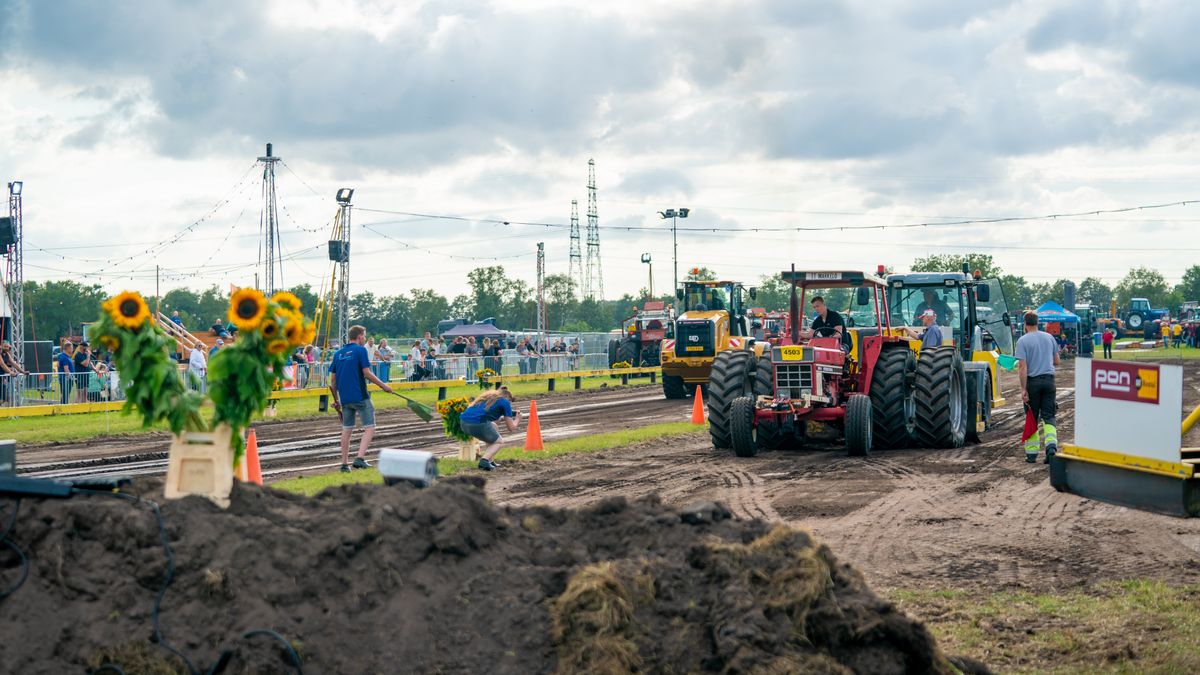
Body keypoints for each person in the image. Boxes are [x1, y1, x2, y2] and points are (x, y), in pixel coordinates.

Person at [328, 324, 395, 473]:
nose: (364, 338)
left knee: (346, 429)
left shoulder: (338, 353)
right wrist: (384, 386)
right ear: (359, 336)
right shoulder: (360, 350)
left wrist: (337, 399)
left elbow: (333, 381)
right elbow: (367, 373)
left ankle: (344, 465)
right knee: (370, 427)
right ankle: (359, 458)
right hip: (360, 396)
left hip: (345, 399)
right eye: (364, 336)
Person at [1016, 311, 1060, 464]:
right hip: (1049, 382)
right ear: (1037, 322)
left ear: (1025, 323)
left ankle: (1032, 454)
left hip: (1032, 383)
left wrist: (1023, 389)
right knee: (1049, 416)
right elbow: (1057, 361)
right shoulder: (1049, 337)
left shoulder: (1022, 341)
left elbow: (1022, 367)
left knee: (1032, 417)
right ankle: (1051, 447)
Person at [459, 387, 521, 471]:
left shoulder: (487, 398)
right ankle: (484, 461)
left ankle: (490, 461)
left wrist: (504, 416)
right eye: (510, 402)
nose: (509, 405)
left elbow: (493, 420)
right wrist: (518, 418)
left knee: (494, 427)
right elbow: (511, 427)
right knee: (499, 442)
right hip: (477, 423)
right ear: (508, 398)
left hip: (463, 423)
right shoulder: (505, 402)